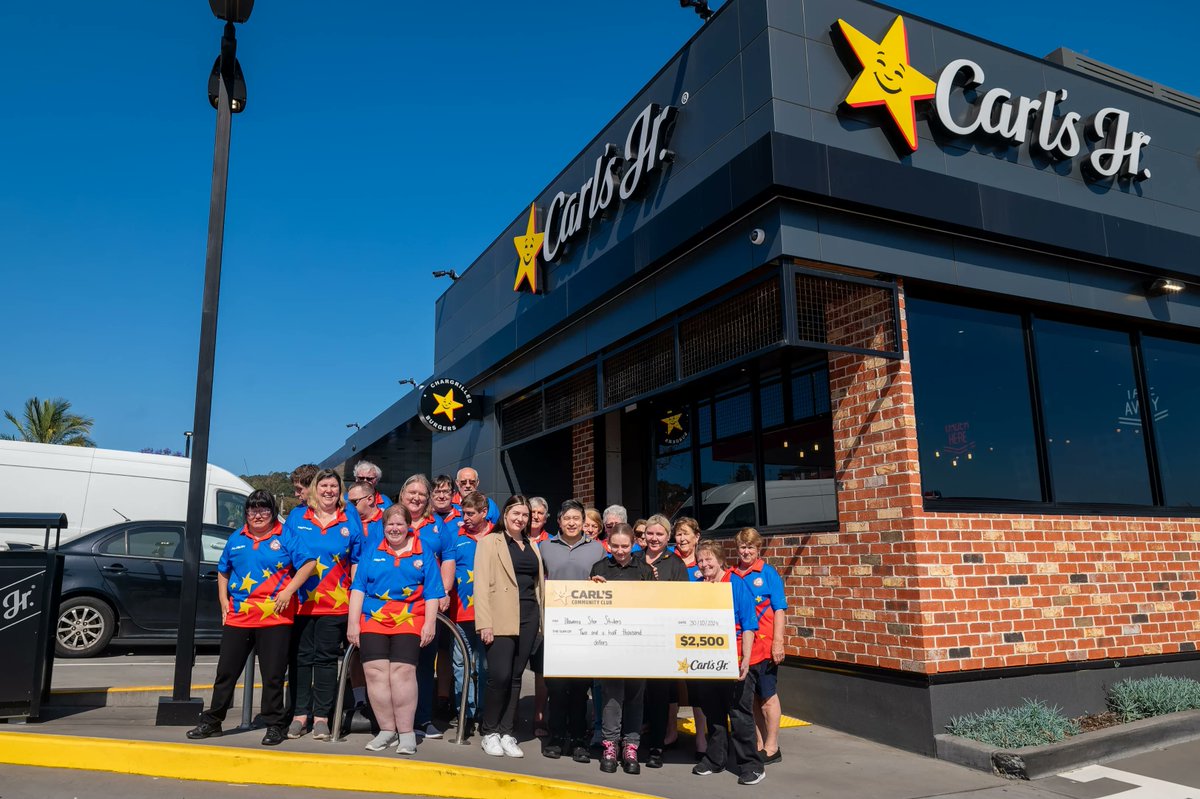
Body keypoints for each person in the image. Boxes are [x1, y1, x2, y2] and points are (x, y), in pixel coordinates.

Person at [187, 491, 315, 745]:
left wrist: (289, 591)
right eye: (252, 511)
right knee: (226, 672)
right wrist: (223, 600)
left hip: (275, 617)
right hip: (239, 616)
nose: (258, 515)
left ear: (272, 512)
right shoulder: (237, 537)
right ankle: (213, 721)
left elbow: (309, 563)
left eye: (264, 510)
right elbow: (223, 570)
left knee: (273, 675)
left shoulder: (286, 535)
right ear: (245, 514)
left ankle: (275, 725)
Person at [347, 504, 444, 755]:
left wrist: (430, 622)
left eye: (400, 524)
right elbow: (358, 587)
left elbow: (433, 591)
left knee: (402, 673)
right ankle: (386, 730)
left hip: (410, 619)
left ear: (408, 526)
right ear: (384, 527)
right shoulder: (372, 550)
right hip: (373, 618)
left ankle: (407, 732)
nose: (394, 528)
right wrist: (353, 622)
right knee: (375, 673)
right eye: (390, 524)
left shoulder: (424, 551)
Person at [285, 468, 362, 741]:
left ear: (339, 490)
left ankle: (321, 718)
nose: (328, 491)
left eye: (333, 486)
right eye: (323, 486)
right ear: (315, 489)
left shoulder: (349, 519)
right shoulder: (297, 517)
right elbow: (284, 556)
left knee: (326, 661)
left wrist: (356, 603)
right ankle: (298, 715)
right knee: (301, 660)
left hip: (335, 606)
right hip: (301, 605)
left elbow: (356, 563)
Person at [474, 494, 545, 758]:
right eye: (516, 513)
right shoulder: (490, 542)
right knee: (499, 676)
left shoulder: (532, 544)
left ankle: (507, 731)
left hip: (529, 615)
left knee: (516, 677)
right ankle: (489, 731)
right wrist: (484, 623)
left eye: (525, 515)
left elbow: (537, 585)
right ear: (505, 515)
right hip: (500, 615)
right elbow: (480, 585)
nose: (521, 519)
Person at [691, 539, 764, 786]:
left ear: (720, 560)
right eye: (700, 560)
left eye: (709, 558)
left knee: (739, 713)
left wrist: (744, 659)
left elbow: (749, 624)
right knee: (713, 712)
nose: (704, 564)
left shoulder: (736, 583)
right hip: (707, 661)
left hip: (736, 658)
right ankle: (715, 759)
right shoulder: (697, 587)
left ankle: (751, 765)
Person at [538, 499, 604, 762]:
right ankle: (556, 738)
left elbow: (602, 582)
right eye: (568, 518)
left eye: (577, 518)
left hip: (585, 628)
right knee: (556, 686)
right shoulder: (544, 547)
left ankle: (578, 740)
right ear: (559, 521)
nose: (572, 523)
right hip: (554, 627)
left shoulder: (597, 549)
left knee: (579, 688)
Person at [589, 523, 653, 774]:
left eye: (625, 546)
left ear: (633, 545)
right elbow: (589, 605)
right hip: (609, 643)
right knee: (611, 696)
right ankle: (610, 745)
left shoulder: (644, 570)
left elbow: (654, 605)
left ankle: (631, 746)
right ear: (608, 544)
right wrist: (592, 587)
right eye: (614, 545)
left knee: (636, 696)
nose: (620, 550)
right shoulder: (600, 567)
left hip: (638, 642)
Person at [395, 474, 452, 740]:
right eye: (412, 492)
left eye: (421, 494)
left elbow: (449, 559)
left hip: (428, 605)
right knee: (397, 665)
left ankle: (423, 718)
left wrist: (444, 591)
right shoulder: (391, 521)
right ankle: (392, 719)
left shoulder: (437, 525)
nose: (416, 498)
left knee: (425, 664)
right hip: (395, 606)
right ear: (402, 494)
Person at [730, 528, 788, 765]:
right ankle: (758, 744)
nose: (746, 551)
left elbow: (779, 610)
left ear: (758, 549)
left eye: (751, 547)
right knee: (750, 700)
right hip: (742, 651)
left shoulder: (768, 573)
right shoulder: (732, 574)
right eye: (743, 547)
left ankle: (773, 746)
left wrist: (778, 641)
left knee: (767, 698)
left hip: (765, 648)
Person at [639, 514, 689, 768]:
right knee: (637, 694)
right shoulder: (634, 558)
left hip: (662, 637)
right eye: (650, 533)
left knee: (659, 694)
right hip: (635, 637)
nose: (655, 538)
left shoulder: (676, 564)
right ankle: (632, 744)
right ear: (644, 535)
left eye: (660, 534)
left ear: (667, 537)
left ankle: (657, 747)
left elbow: (683, 601)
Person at [448, 491, 493, 736]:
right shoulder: (456, 535)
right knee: (461, 665)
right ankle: (464, 712)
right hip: (460, 613)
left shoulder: (498, 535)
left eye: (470, 513)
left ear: (483, 513)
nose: (464, 518)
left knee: (485, 667)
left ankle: (485, 714)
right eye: (463, 513)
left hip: (489, 615)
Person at [526, 495, 552, 737]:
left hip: (543, 613)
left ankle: (539, 716)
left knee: (541, 669)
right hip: (518, 611)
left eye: (540, 513)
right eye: (531, 512)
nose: (535, 516)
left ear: (546, 518)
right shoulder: (514, 539)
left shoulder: (551, 543)